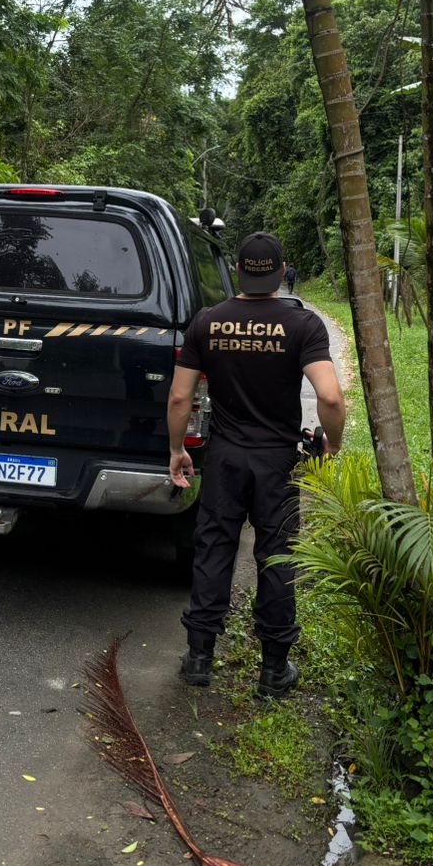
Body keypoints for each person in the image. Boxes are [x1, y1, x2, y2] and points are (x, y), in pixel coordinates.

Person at [167, 232, 345, 696]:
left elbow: (181, 396)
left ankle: (199, 658)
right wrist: (332, 446)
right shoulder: (303, 325)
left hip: (225, 458)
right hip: (277, 462)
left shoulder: (207, 322)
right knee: (277, 556)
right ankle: (273, 669)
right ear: (282, 271)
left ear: (239, 271)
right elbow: (329, 397)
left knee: (214, 549)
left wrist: (176, 449)